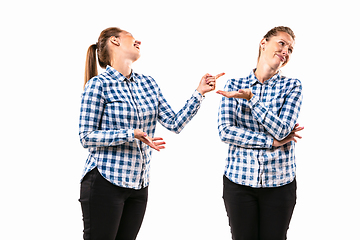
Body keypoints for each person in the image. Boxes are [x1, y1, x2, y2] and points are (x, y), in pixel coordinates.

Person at [78, 27, 224, 240]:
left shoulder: (148, 84)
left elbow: (174, 123)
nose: (138, 41)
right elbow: (86, 136)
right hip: (104, 182)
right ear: (114, 41)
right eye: (131, 37)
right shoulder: (98, 85)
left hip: (138, 185)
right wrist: (130, 134)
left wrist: (199, 93)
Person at [216, 26, 303, 240]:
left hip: (279, 185)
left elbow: (283, 130)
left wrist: (251, 100)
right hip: (238, 183)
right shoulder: (234, 85)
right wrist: (270, 142)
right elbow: (226, 131)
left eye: (290, 49)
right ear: (263, 43)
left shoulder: (292, 86)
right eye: (282, 43)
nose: (286, 51)